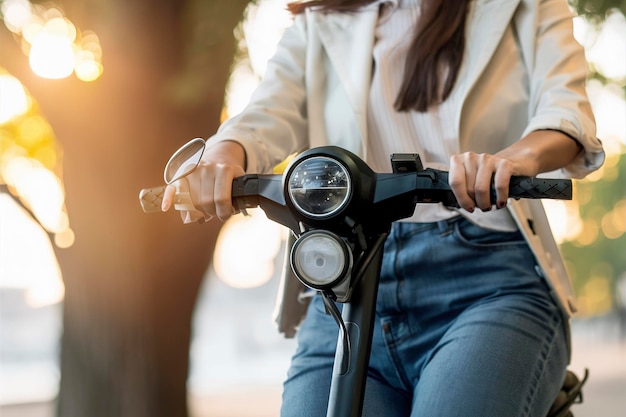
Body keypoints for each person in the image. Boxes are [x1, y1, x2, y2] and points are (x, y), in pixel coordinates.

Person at [161, 0, 605, 415]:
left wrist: (515, 159)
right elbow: (264, 117)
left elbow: (566, 110)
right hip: (347, 278)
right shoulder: (319, 19)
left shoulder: (525, 5)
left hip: (487, 279)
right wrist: (223, 157)